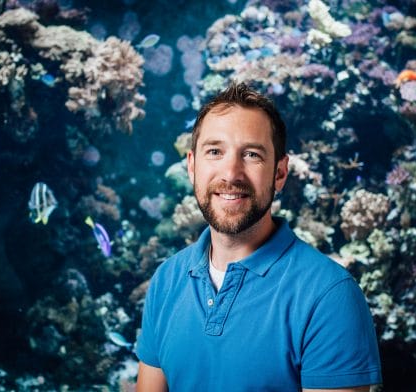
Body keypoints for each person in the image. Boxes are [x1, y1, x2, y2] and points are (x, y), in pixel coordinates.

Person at [135, 82, 382, 391]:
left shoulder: (329, 295)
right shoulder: (166, 281)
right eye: (214, 151)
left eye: (251, 154)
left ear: (279, 173)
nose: (231, 173)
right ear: (192, 167)